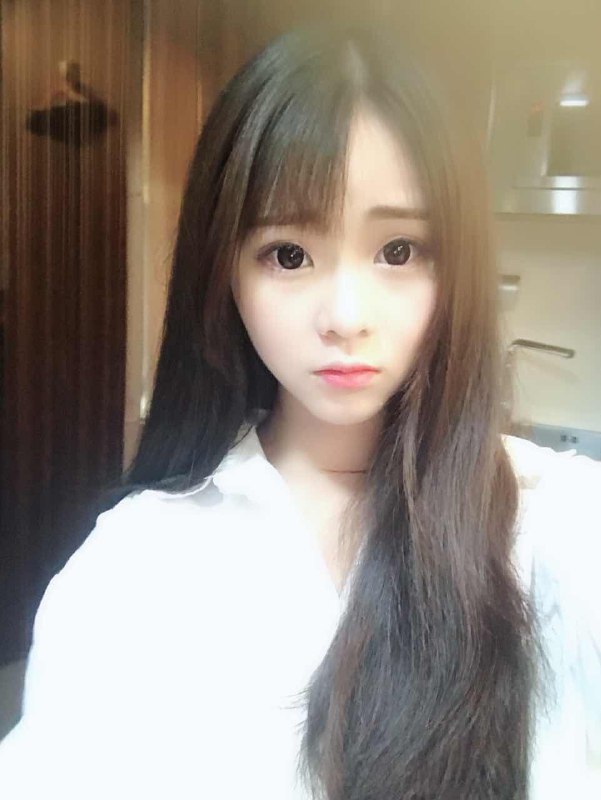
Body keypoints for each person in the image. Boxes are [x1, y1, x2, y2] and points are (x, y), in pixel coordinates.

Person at [1, 22, 600, 800]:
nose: (344, 316)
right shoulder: (134, 565)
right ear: (223, 275)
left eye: (397, 251)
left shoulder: (560, 526)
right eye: (288, 254)